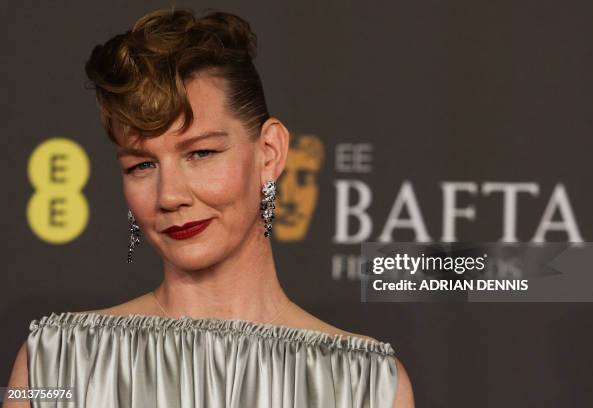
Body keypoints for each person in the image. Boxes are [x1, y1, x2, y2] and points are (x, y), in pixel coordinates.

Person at [5, 8, 414, 408]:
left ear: (269, 153)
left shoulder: (365, 385)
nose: (169, 195)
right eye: (142, 165)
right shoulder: (56, 364)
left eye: (201, 153)